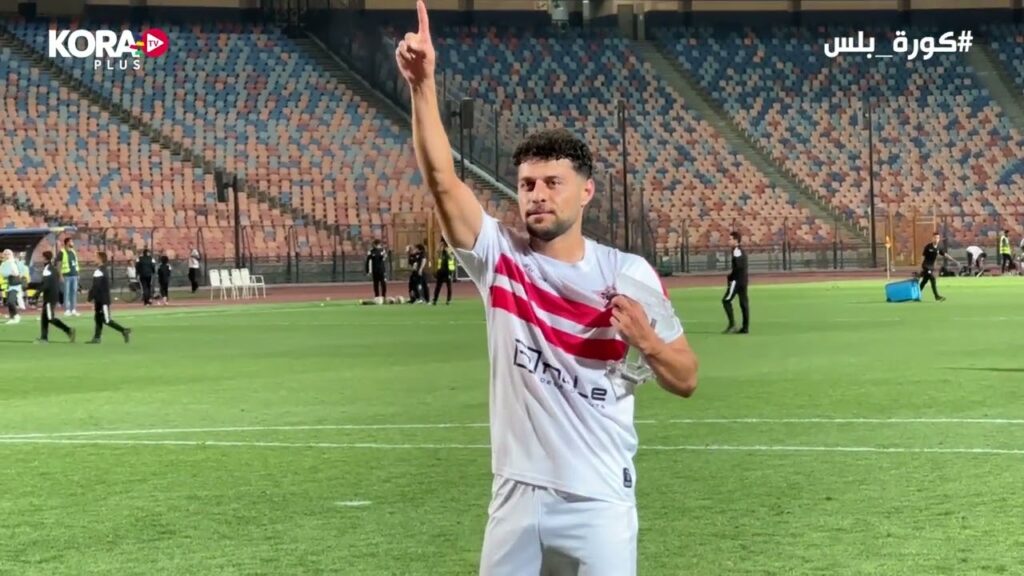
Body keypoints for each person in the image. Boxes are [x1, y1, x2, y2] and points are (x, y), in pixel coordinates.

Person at [396, 5, 700, 574]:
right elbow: (441, 180)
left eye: (552, 183)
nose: (537, 194)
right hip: (516, 495)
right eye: (527, 184)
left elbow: (686, 378)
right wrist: (422, 85)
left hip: (599, 499)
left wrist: (648, 342)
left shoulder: (627, 273)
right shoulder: (500, 257)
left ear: (586, 192)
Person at [87, 252, 131, 344]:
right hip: (101, 299)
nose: (94, 259)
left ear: (100, 259)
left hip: (102, 300)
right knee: (98, 318)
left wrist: (89, 298)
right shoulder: (104, 270)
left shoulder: (99, 271)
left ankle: (123, 330)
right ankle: (97, 337)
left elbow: (95, 287)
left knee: (106, 320)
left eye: (95, 257)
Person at [37, 251, 75, 343]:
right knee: (44, 317)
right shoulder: (53, 269)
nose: (41, 259)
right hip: (53, 296)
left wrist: (37, 293)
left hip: (49, 297)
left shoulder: (47, 269)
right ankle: (44, 338)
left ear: (45, 258)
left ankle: (68, 330)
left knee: (50, 317)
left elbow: (46, 284)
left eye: (42, 257)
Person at [722, 231, 750, 334]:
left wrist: (731, 277)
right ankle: (745, 328)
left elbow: (738, 266)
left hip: (737, 281)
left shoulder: (736, 251)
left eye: (730, 239)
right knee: (744, 303)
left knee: (726, 300)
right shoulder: (740, 250)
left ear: (736, 240)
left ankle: (732, 325)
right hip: (744, 280)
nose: (728, 241)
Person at [920, 232, 948, 302]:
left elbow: (944, 254)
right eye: (935, 238)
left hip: (931, 267)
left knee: (924, 281)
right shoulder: (928, 246)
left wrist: (953, 260)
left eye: (938, 238)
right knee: (932, 279)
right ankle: (937, 296)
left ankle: (916, 294)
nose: (936, 239)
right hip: (926, 265)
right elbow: (923, 257)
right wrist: (921, 267)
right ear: (932, 238)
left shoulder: (939, 247)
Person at [57, 238, 81, 316]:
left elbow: (76, 263)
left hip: (74, 275)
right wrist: (60, 275)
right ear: (67, 243)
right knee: (66, 293)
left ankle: (73, 309)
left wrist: (77, 273)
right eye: (71, 241)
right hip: (66, 275)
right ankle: (67, 309)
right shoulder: (62, 252)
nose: (72, 243)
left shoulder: (73, 252)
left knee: (74, 292)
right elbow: (59, 265)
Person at [1, 249, 23, 324]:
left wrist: (10, 272)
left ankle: (16, 316)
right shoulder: (4, 263)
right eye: (5, 254)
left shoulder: (14, 262)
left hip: (15, 285)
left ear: (11, 254)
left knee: (11, 301)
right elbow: (3, 273)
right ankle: (12, 317)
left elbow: (17, 273)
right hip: (8, 285)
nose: (6, 255)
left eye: (8, 254)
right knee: (9, 302)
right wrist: (9, 273)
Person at [432, 238, 456, 305]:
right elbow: (437, 252)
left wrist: (448, 250)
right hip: (441, 271)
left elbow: (452, 257)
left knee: (449, 286)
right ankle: (435, 300)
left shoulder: (450, 250)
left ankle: (448, 300)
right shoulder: (441, 251)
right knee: (438, 286)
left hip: (448, 271)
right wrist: (440, 246)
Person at [366, 239, 388, 304]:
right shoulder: (371, 251)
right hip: (375, 270)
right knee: (376, 284)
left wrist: (384, 255)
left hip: (381, 270)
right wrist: (368, 271)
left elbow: (384, 258)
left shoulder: (382, 250)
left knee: (383, 283)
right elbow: (368, 261)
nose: (378, 246)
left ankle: (384, 297)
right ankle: (377, 297)